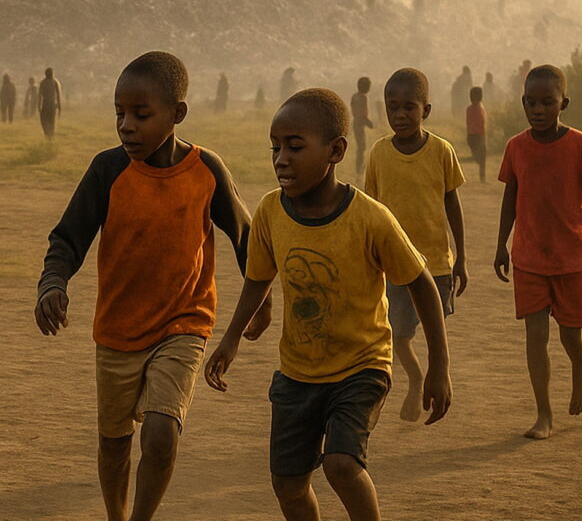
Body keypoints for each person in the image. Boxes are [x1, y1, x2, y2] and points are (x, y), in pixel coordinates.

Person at [204, 88, 452, 521]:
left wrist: (439, 368)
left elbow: (423, 286)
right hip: (298, 373)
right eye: (275, 147)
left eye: (295, 147)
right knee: (288, 486)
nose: (281, 158)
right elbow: (257, 279)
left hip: (362, 366)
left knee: (341, 465)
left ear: (336, 150)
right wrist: (230, 341)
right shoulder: (269, 212)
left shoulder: (370, 218)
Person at [36, 52, 263, 521]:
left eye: (141, 115)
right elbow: (68, 237)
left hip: (185, 322)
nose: (126, 126)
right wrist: (52, 282)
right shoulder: (108, 170)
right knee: (114, 443)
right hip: (118, 328)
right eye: (119, 113)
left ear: (177, 114)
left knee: (161, 431)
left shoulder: (207, 170)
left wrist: (259, 296)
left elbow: (246, 237)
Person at [494, 64, 582, 440]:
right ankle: (543, 413)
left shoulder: (580, 144)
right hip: (528, 256)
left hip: (570, 257)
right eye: (531, 102)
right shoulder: (516, 147)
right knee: (535, 336)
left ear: (564, 102)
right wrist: (502, 244)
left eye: (548, 102)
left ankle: (581, 366)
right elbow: (510, 195)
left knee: (569, 335)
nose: (539, 109)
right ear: (523, 103)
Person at [364, 68, 468, 423]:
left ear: (426, 109)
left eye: (409, 107)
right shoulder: (378, 153)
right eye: (393, 107)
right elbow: (372, 210)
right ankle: (415, 378)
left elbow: (452, 203)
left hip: (436, 263)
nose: (400, 115)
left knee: (435, 330)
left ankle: (440, 375)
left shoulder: (441, 151)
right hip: (394, 265)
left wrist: (462, 258)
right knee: (398, 335)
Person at [349, 77, 375, 173]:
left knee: (361, 146)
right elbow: (363, 112)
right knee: (362, 146)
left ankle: (360, 166)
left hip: (356, 122)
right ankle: (359, 167)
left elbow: (353, 109)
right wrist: (369, 123)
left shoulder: (354, 96)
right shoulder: (363, 97)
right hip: (360, 123)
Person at [465, 86, 487, 179]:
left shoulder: (469, 108)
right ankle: (482, 177)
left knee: (478, 157)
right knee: (482, 158)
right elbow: (482, 122)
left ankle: (482, 177)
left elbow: (468, 122)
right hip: (479, 135)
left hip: (470, 135)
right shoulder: (480, 108)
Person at [39, 67, 63, 138]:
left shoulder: (45, 82)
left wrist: (39, 105)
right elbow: (58, 95)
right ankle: (49, 135)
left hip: (47, 105)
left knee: (46, 121)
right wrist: (59, 106)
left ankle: (49, 135)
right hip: (50, 105)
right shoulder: (54, 82)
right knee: (49, 121)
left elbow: (40, 95)